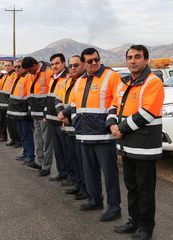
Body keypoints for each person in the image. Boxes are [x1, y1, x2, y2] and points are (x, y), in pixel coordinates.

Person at [109, 45, 164, 240]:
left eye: (137, 57)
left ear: (146, 60)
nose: (132, 60)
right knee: (132, 187)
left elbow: (147, 114)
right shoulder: (124, 83)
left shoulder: (152, 82)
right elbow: (113, 106)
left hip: (145, 147)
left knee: (145, 190)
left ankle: (146, 228)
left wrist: (120, 128)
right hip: (127, 146)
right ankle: (133, 221)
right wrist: (111, 123)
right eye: (129, 57)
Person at [68, 48, 121, 221]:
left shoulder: (111, 76)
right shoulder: (80, 80)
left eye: (96, 59)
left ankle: (114, 207)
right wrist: (76, 121)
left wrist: (109, 124)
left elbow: (118, 101)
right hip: (84, 134)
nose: (94, 63)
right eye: (89, 61)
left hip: (103, 136)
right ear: (84, 63)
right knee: (89, 172)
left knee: (110, 175)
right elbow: (74, 104)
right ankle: (95, 199)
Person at [57, 55, 89, 200]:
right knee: (73, 159)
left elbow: (79, 104)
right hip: (66, 126)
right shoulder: (67, 81)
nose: (73, 68)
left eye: (76, 65)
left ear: (83, 65)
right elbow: (58, 98)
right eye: (70, 66)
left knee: (83, 162)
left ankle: (85, 188)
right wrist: (61, 113)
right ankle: (78, 184)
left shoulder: (84, 82)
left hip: (78, 127)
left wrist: (65, 113)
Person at [22, 56, 53, 177]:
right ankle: (39, 162)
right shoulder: (31, 74)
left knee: (46, 140)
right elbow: (31, 93)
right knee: (38, 139)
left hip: (44, 113)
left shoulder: (48, 73)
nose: (29, 72)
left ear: (35, 65)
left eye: (29, 70)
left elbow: (51, 95)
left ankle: (46, 166)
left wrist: (47, 112)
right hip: (35, 112)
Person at [46, 53, 72, 182]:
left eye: (57, 63)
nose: (54, 66)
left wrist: (64, 115)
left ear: (63, 63)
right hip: (52, 119)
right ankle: (62, 172)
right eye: (52, 64)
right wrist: (46, 114)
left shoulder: (68, 78)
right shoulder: (52, 78)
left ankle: (70, 176)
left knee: (66, 150)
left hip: (62, 120)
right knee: (58, 150)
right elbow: (50, 99)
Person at [7, 59, 35, 163]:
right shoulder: (17, 78)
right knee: (22, 135)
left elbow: (29, 96)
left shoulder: (28, 78)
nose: (16, 69)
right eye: (15, 67)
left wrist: (29, 110)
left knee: (27, 134)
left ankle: (30, 155)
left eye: (19, 66)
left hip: (23, 111)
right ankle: (25, 152)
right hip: (16, 111)